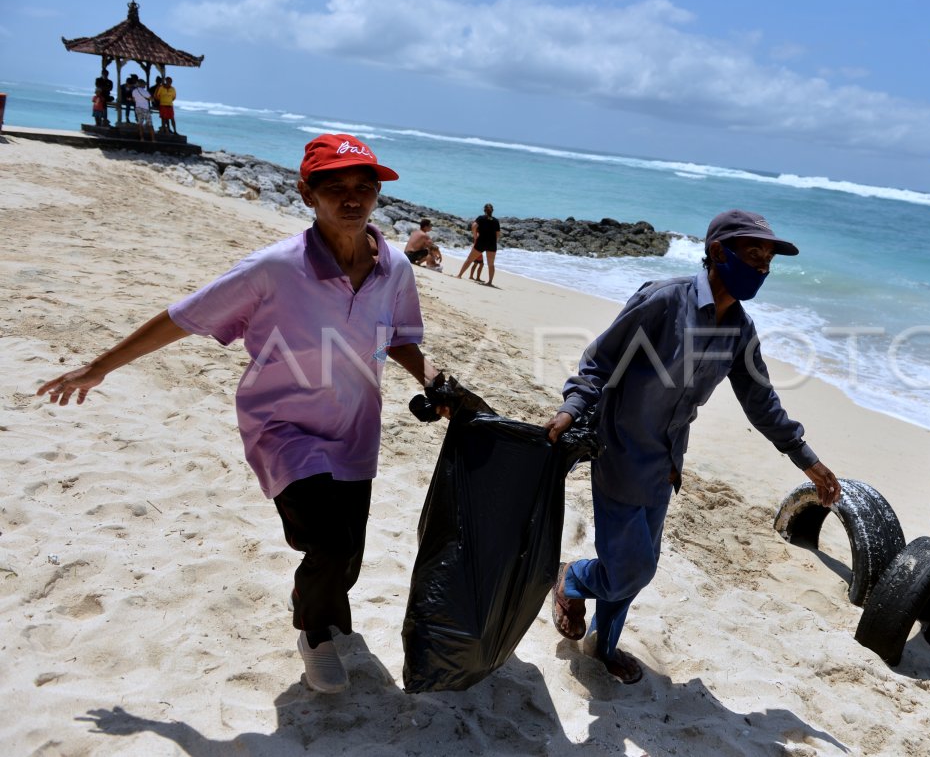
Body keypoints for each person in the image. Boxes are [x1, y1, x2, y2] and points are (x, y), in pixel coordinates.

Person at [36, 133, 454, 695]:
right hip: (281, 426)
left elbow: (399, 338)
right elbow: (182, 318)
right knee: (328, 542)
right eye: (335, 188)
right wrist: (100, 367)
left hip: (356, 429)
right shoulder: (274, 268)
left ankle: (311, 596)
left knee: (346, 554)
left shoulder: (396, 267)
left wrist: (430, 379)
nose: (352, 198)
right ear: (308, 195)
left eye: (364, 186)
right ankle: (315, 635)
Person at [543, 209, 842, 684]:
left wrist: (807, 459)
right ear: (719, 252)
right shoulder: (663, 302)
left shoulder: (739, 330)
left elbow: (761, 402)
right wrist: (572, 408)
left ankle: (603, 645)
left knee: (641, 566)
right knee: (630, 569)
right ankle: (573, 578)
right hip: (618, 453)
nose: (763, 267)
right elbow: (599, 362)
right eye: (753, 254)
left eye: (768, 259)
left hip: (665, 466)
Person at [456, 203, 500, 285]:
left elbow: (474, 226)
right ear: (492, 211)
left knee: (470, 259)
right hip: (492, 243)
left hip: (481, 241)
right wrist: (495, 241)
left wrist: (475, 236)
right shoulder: (496, 221)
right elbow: (498, 234)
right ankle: (490, 282)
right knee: (491, 264)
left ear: (484, 210)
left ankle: (459, 275)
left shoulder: (481, 218)